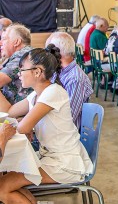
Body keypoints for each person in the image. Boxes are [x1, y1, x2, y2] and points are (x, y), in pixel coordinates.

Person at [0, 45, 93, 204]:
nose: (19, 74)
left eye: (22, 70)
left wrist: (21, 125)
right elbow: (10, 111)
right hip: (51, 158)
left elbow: (22, 128)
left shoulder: (53, 93)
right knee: (7, 183)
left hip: (64, 163)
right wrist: (21, 124)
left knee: (2, 187)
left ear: (37, 72)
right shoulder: (37, 95)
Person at [46, 32, 93, 130]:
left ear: (57, 52)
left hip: (65, 135)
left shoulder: (75, 79)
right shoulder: (58, 71)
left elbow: (68, 118)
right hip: (55, 125)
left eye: (49, 52)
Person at [0, 24, 33, 104]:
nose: (0, 43)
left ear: (17, 42)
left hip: (21, 114)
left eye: (4, 39)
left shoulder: (23, 56)